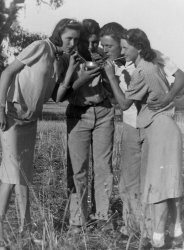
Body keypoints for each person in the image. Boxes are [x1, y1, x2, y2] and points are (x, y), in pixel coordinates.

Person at [0, 18, 81, 249]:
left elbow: (55, 96)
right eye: (69, 38)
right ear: (58, 34)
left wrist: (71, 70)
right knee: (10, 176)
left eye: (76, 39)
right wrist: (0, 109)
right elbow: (7, 73)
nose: (72, 43)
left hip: (30, 120)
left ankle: (25, 233)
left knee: (22, 177)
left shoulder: (60, 59)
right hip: (12, 118)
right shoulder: (39, 47)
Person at [103, 28, 183, 249]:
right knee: (169, 184)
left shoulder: (142, 70)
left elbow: (124, 104)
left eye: (126, 48)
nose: (123, 52)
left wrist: (110, 77)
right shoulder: (150, 64)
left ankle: (154, 238)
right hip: (162, 125)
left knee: (157, 185)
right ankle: (173, 232)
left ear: (138, 47)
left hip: (155, 127)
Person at [56, 20, 126, 232]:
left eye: (97, 42)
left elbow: (115, 89)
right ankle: (77, 220)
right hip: (79, 114)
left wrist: (107, 74)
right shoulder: (68, 58)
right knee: (78, 170)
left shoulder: (104, 57)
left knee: (104, 167)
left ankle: (102, 216)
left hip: (104, 113)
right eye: (90, 42)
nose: (94, 46)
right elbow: (60, 93)